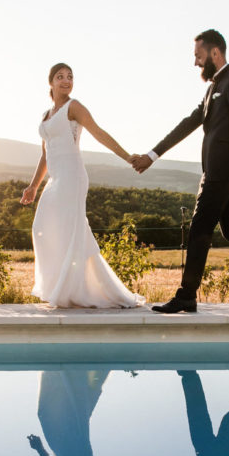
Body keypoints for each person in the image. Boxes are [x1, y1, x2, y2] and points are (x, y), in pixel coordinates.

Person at [130, 30, 229, 312]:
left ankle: (186, 295)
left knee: (199, 229)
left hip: (222, 173)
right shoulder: (213, 87)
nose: (195, 62)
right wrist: (152, 155)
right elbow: (189, 123)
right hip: (216, 172)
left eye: (198, 55)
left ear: (214, 53)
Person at [20, 63, 144, 308]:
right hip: (56, 179)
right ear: (51, 82)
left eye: (70, 77)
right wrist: (33, 185)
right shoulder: (46, 115)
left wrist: (126, 155)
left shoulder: (73, 107)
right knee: (42, 227)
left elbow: (98, 132)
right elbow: (45, 154)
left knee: (71, 230)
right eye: (60, 77)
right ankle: (64, 288)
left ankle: (73, 292)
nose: (66, 81)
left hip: (73, 176)